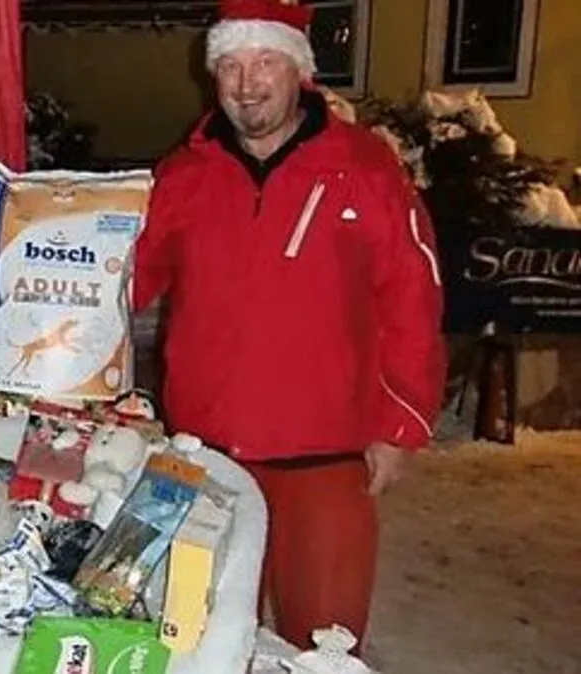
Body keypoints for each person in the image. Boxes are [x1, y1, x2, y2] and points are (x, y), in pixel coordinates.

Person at [133, 0, 446, 653]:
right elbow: (125, 278)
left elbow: (412, 298)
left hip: (324, 458)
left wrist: (402, 423)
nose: (247, 84)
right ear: (212, 74)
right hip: (206, 456)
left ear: (297, 69)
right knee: (202, 640)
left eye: (264, 61)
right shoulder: (184, 173)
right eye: (231, 65)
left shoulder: (363, 169)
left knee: (322, 647)